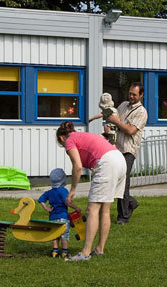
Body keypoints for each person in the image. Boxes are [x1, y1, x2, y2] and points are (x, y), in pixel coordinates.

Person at [56, 121, 126, 261]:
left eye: (61, 143)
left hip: (107, 163)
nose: (64, 147)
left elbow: (77, 166)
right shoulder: (84, 135)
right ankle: (99, 249)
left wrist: (73, 190)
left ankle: (85, 252)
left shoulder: (69, 141)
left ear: (62, 138)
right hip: (119, 160)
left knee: (91, 210)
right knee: (105, 210)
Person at [106, 82, 148, 225]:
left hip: (129, 150)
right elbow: (113, 119)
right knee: (117, 180)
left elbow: (130, 130)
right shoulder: (123, 105)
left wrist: (116, 122)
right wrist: (109, 126)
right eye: (130, 93)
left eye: (134, 94)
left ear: (141, 95)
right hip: (116, 148)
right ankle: (131, 202)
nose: (130, 96)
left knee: (123, 181)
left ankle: (123, 217)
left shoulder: (142, 112)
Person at [38, 168, 81, 258]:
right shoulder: (63, 191)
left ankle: (54, 253)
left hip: (52, 218)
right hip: (63, 217)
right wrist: (76, 208)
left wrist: (46, 208)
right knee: (64, 236)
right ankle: (64, 253)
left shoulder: (49, 192)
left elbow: (41, 200)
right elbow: (67, 202)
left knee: (55, 235)